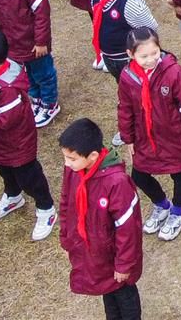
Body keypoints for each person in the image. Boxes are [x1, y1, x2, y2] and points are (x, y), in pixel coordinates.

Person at [116, 27, 181, 242]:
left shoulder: (173, 72)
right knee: (139, 175)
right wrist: (127, 137)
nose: (150, 60)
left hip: (174, 135)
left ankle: (178, 211)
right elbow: (125, 108)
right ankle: (161, 205)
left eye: (154, 53)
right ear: (130, 54)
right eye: (144, 56)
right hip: (144, 137)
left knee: (179, 172)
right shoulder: (127, 77)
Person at [0, 28, 58, 242]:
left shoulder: (8, 88)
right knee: (5, 170)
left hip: (17, 143)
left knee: (29, 176)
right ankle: (13, 196)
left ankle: (46, 209)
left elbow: (5, 121)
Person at [56, 116, 145, 320]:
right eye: (65, 158)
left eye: (72, 158)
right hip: (94, 254)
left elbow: (128, 228)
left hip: (113, 257)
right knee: (106, 290)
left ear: (93, 156)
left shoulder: (117, 183)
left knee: (124, 294)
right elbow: (66, 203)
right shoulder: (74, 171)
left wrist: (123, 265)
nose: (67, 163)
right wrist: (67, 238)